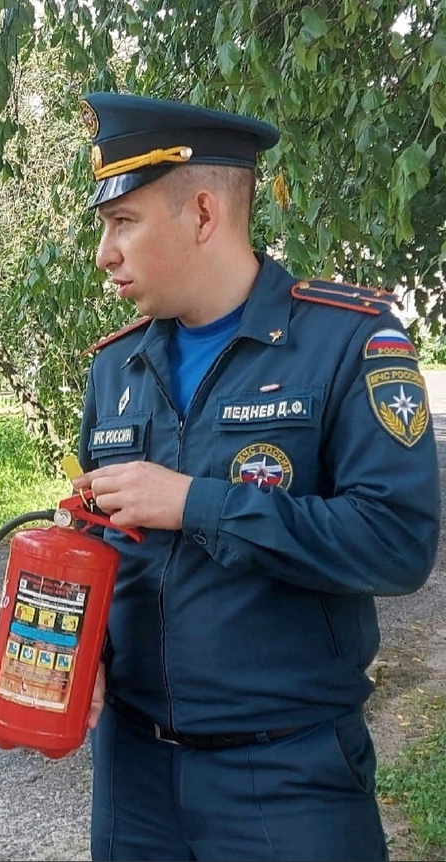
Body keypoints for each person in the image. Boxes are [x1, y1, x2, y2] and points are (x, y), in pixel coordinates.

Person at [70, 92, 441, 861]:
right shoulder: (117, 366)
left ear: (203, 213)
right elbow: (95, 534)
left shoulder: (348, 343)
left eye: (123, 223)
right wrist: (82, 646)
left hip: (286, 777)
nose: (104, 252)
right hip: (132, 775)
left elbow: (397, 543)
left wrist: (197, 505)